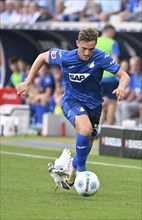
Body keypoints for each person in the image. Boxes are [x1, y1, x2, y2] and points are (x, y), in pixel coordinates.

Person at [17, 27, 130, 189]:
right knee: (85, 130)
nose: (86, 53)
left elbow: (124, 76)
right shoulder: (65, 57)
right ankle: (82, 173)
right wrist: (27, 82)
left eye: (91, 49)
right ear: (77, 43)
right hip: (71, 100)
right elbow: (42, 57)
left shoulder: (101, 57)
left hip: (95, 105)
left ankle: (69, 168)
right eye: (83, 48)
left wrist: (121, 87)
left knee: (90, 138)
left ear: (95, 45)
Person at [96, 25, 120, 125]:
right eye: (113, 34)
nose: (113, 36)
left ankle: (98, 127)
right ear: (109, 32)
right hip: (110, 78)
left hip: (97, 77)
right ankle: (109, 129)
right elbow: (115, 59)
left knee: (100, 104)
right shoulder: (113, 43)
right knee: (111, 103)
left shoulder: (96, 41)